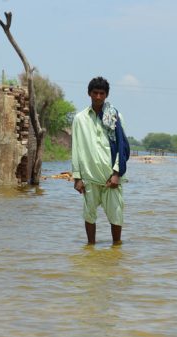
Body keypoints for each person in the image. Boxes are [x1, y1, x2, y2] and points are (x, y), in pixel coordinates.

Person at [71, 76, 130, 245]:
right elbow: (76, 149)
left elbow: (122, 147)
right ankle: (90, 249)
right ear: (89, 93)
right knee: (89, 215)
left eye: (101, 93)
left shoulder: (115, 117)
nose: (98, 97)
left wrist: (117, 173)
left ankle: (116, 248)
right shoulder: (80, 119)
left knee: (116, 216)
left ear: (106, 95)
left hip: (110, 177)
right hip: (89, 176)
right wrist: (77, 177)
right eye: (95, 93)